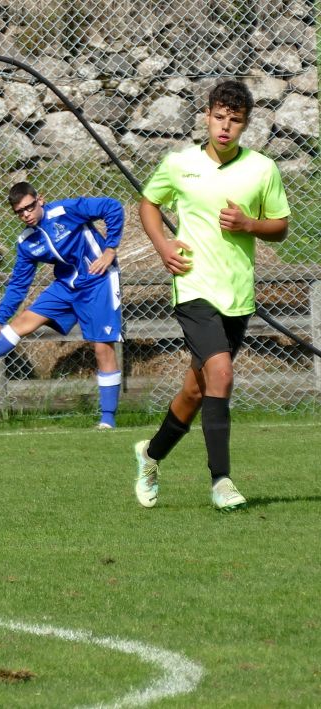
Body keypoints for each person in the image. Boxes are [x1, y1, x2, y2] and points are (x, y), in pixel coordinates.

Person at [133, 80, 289, 512]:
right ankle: (221, 481)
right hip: (193, 287)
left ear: (246, 124)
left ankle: (150, 455)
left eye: (234, 120)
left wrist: (250, 225)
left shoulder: (262, 169)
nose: (224, 127)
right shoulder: (179, 164)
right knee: (221, 372)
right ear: (206, 116)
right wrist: (163, 246)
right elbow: (148, 203)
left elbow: (280, 227)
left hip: (237, 294)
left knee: (196, 391)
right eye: (219, 117)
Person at [0, 182, 124, 429]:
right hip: (66, 285)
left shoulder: (66, 210)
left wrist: (110, 250)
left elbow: (112, 207)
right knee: (21, 323)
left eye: (29, 207)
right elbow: (18, 285)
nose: (26, 214)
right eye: (20, 212)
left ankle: (107, 420)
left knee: (102, 347)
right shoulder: (27, 242)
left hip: (98, 280)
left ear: (40, 200)